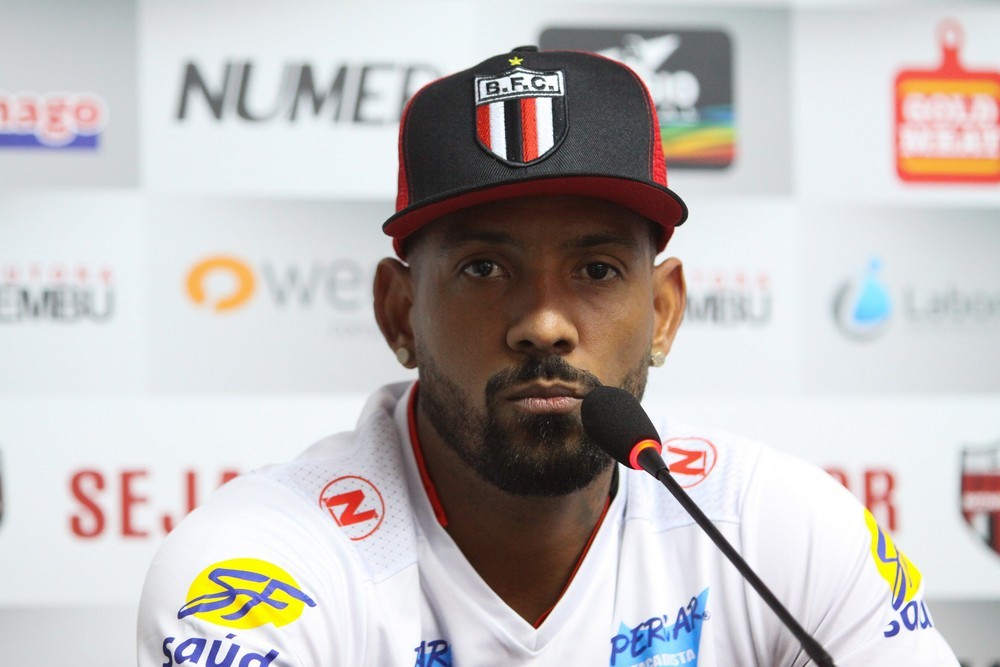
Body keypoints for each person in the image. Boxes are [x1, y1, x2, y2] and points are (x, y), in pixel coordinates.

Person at [138, 46, 959, 666]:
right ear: (399, 313)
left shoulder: (774, 529)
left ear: (663, 312)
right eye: (484, 269)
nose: (543, 323)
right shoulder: (262, 564)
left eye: (595, 270)